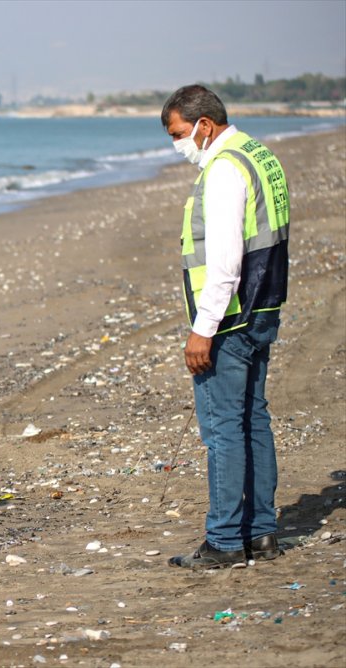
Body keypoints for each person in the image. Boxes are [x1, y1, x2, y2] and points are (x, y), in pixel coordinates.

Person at [160, 85, 290, 569]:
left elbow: (225, 261)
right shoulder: (260, 155)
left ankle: (224, 541)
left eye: (178, 134)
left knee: (222, 430)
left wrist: (203, 329)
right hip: (263, 310)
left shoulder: (224, 170)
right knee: (253, 419)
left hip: (230, 318)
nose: (178, 145)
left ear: (204, 125)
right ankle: (261, 533)